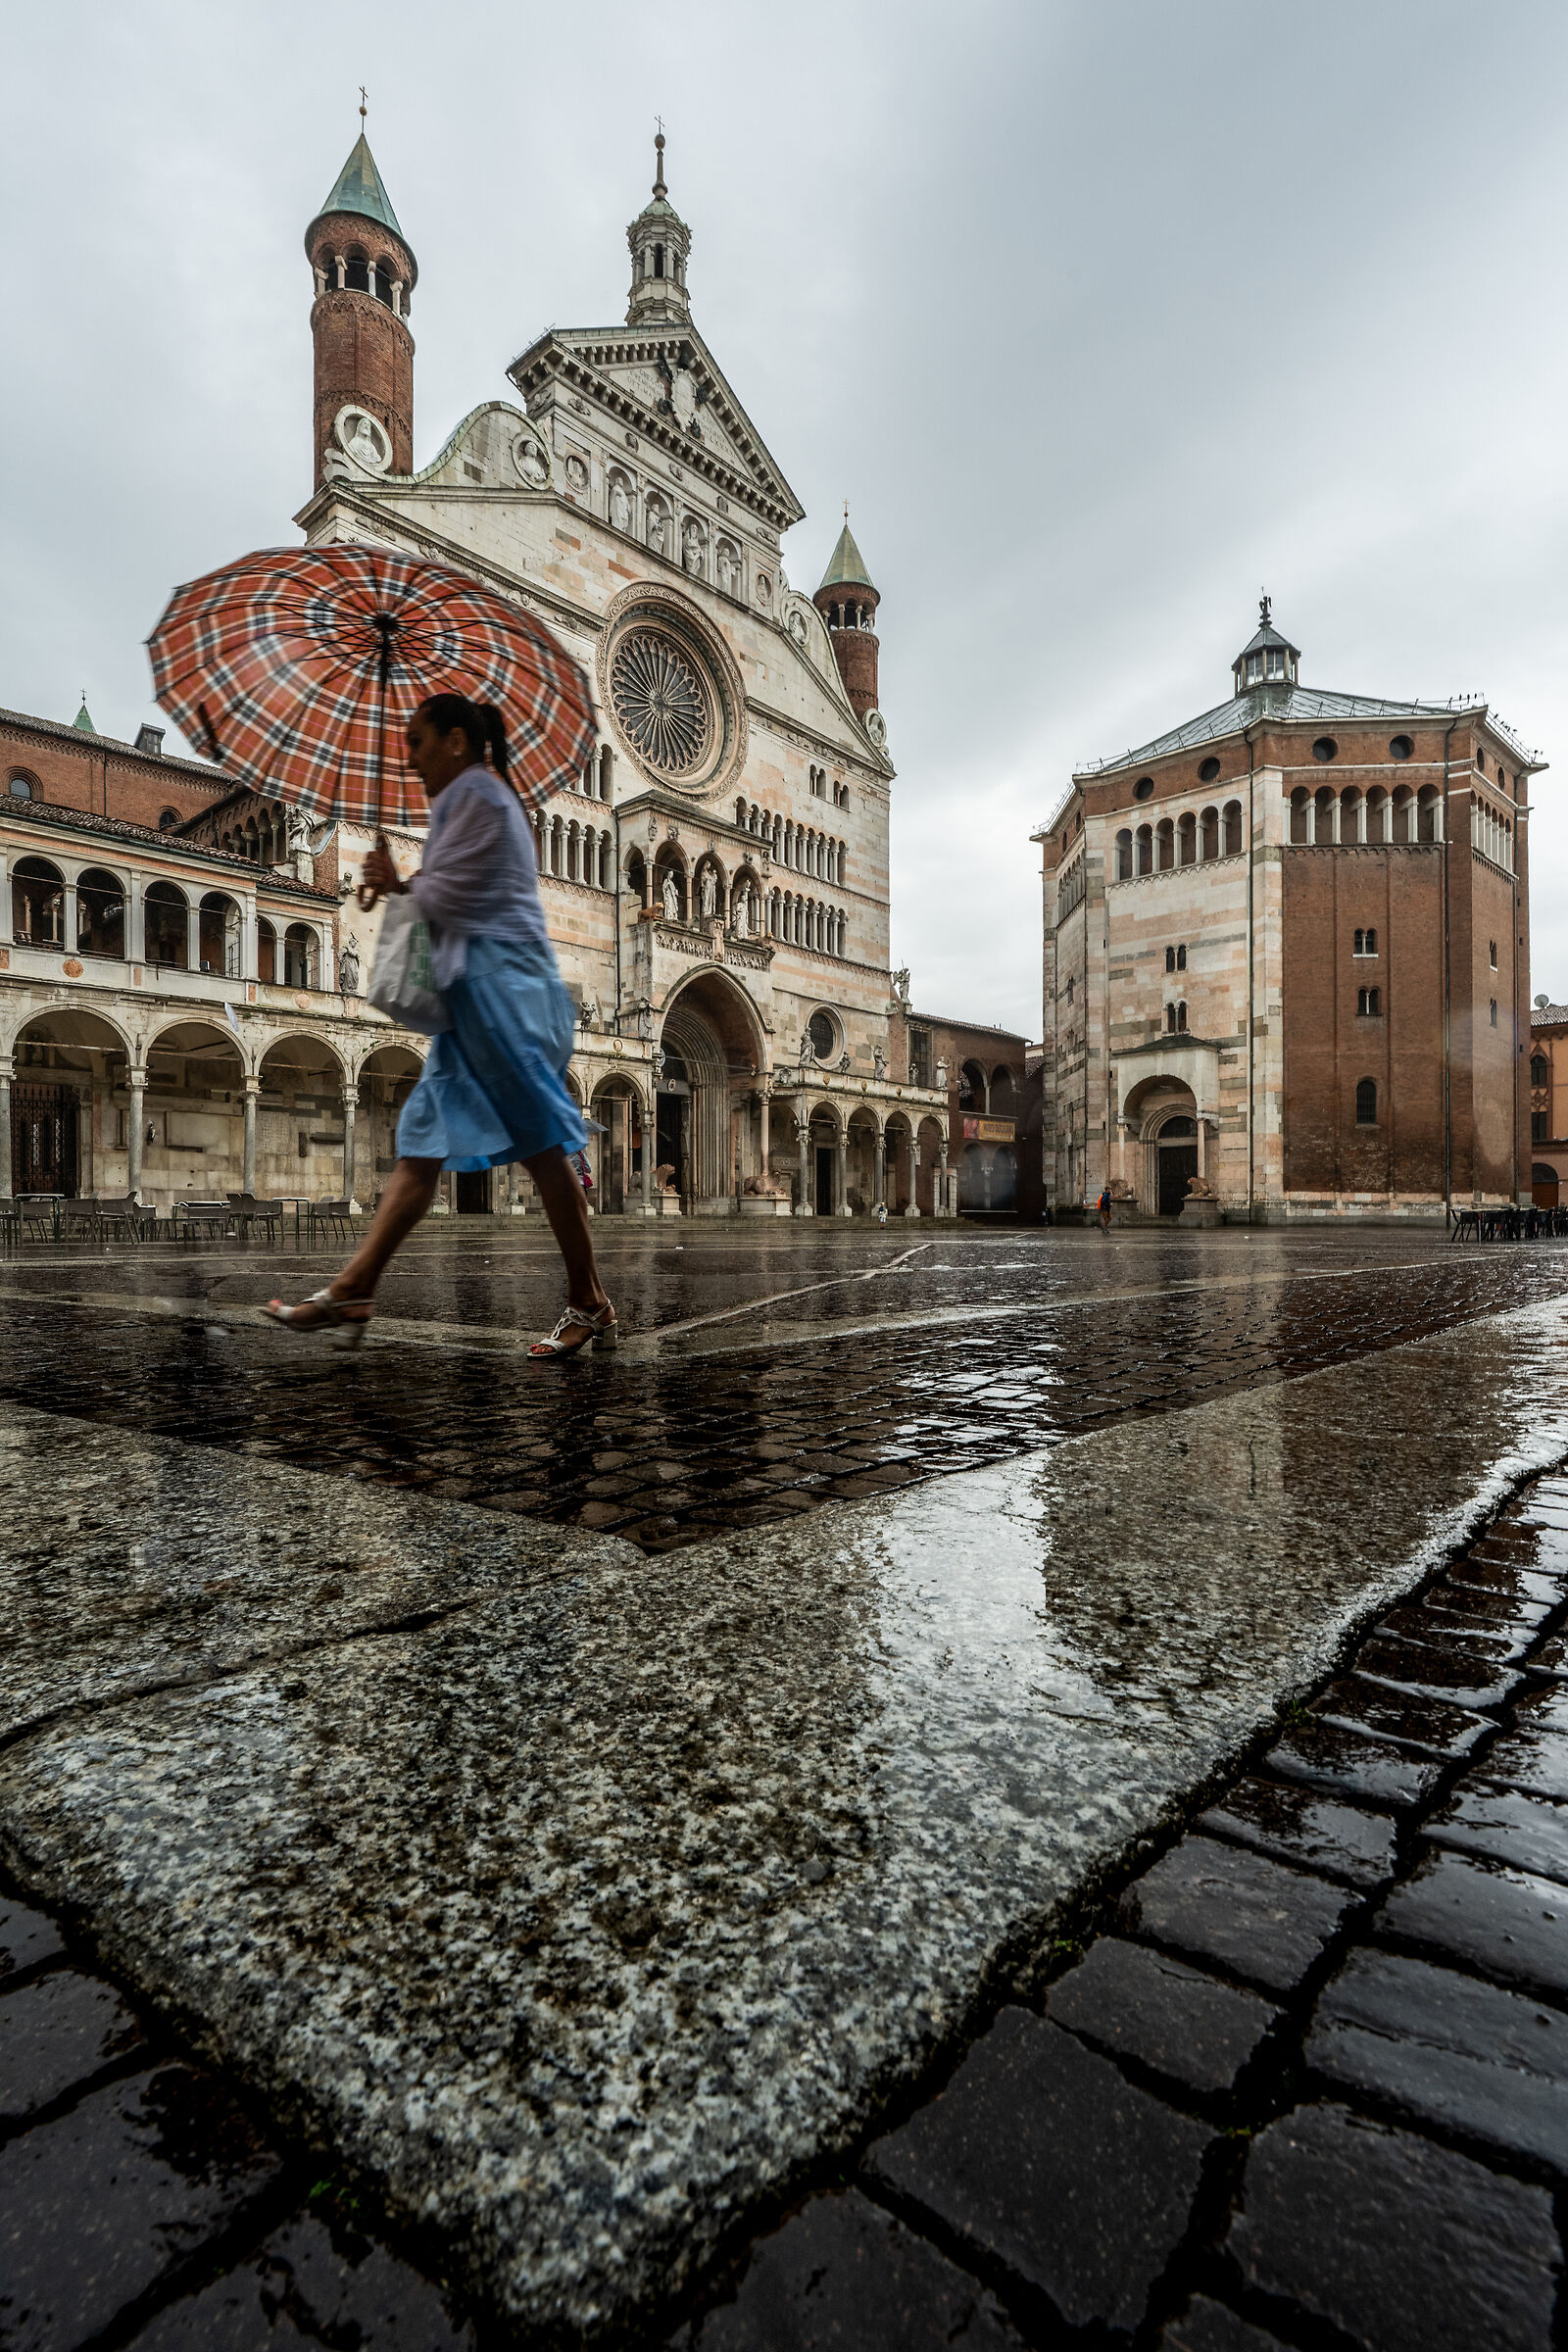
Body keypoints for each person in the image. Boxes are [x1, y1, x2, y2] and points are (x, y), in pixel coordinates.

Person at [264, 693, 615, 1358]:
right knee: (422, 1141)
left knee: (541, 1146)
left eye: (419, 743)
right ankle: (354, 1287)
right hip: (469, 998)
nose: (412, 757)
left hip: (503, 991)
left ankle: (590, 1302)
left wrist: (403, 881)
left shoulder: (481, 795)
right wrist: (400, 884)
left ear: (457, 740)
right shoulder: (468, 802)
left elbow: (456, 895)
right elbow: (449, 887)